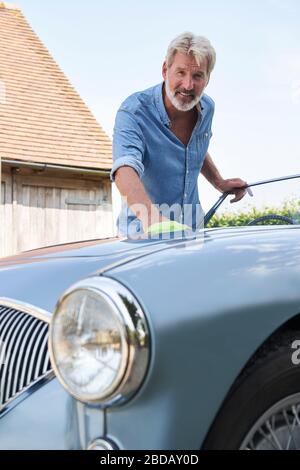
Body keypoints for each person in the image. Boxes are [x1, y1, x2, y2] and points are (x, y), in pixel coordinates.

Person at [111, 32, 247, 238]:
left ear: (208, 78)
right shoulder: (134, 111)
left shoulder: (207, 108)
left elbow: (194, 148)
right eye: (181, 72)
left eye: (197, 76)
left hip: (192, 230)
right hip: (144, 236)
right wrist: (152, 219)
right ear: (165, 70)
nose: (188, 85)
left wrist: (219, 181)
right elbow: (125, 167)